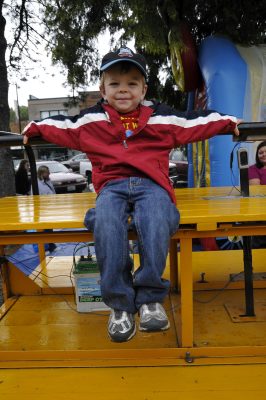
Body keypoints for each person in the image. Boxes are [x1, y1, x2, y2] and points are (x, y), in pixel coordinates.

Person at [23, 47, 240, 342]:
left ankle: (150, 298)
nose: (123, 90)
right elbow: (62, 124)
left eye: (132, 83)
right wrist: (34, 126)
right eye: (114, 84)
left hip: (152, 184)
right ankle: (121, 305)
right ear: (103, 89)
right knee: (106, 221)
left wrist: (228, 121)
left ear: (143, 89)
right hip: (111, 186)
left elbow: (195, 121)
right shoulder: (92, 121)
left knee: (154, 216)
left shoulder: (161, 119)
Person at [34, 165, 57, 253]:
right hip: (43, 209)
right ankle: (46, 246)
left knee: (49, 227)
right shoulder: (37, 184)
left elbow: (52, 192)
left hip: (49, 208)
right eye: (47, 172)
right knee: (45, 228)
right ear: (42, 173)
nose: (49, 173)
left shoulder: (47, 181)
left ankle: (51, 244)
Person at [248, 141, 266, 248]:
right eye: (261, 152)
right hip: (260, 212)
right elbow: (256, 190)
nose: (264, 154)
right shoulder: (252, 169)